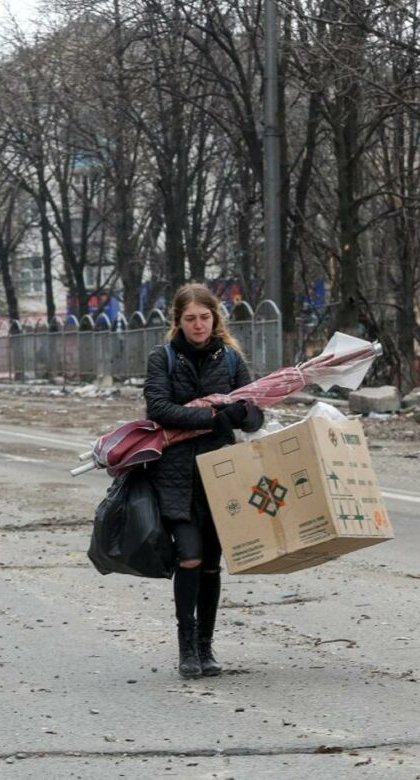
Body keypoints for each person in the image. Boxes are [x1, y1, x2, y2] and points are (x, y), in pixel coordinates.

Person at [143, 283, 263, 679]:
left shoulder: (229, 358)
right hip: (176, 472)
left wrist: (241, 415)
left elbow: (255, 410)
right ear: (178, 321)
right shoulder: (164, 358)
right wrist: (213, 417)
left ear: (215, 318)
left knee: (211, 564)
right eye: (190, 319)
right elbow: (159, 408)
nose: (198, 325)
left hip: (221, 472)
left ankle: (206, 647)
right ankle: (186, 647)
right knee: (189, 556)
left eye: (205, 317)